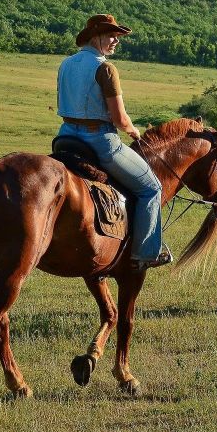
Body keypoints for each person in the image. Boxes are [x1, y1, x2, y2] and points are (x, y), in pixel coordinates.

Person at [56, 14, 171, 270]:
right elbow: (119, 117)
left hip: (65, 137)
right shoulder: (105, 68)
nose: (116, 41)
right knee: (151, 188)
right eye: (111, 36)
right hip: (99, 140)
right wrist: (133, 131)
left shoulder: (66, 63)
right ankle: (147, 253)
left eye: (117, 37)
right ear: (95, 35)